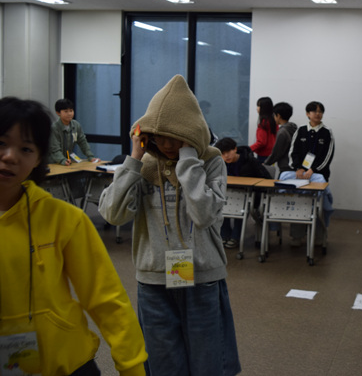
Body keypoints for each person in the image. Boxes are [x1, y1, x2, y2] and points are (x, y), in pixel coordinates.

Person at [98, 75, 241, 376]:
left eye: (175, 136)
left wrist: (188, 160)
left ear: (191, 133)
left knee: (207, 365)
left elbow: (203, 215)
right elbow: (112, 214)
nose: (166, 143)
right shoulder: (142, 166)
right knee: (164, 366)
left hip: (201, 277)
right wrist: (134, 159)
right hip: (154, 282)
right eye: (159, 136)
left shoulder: (211, 162)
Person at [0, 96, 147, 375]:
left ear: (38, 158)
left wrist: (133, 366)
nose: (10, 156)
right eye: (1, 143)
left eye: (26, 148)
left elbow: (106, 298)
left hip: (67, 364)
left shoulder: (65, 220)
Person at [280, 101, 335, 245]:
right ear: (307, 114)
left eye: (320, 111)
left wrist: (314, 169)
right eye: (314, 111)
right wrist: (298, 168)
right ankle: (297, 236)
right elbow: (293, 152)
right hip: (300, 175)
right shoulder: (301, 130)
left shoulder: (327, 132)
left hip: (318, 176)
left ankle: (319, 236)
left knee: (318, 206)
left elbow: (328, 156)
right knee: (299, 203)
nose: (318, 114)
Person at [215, 137, 271, 248]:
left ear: (235, 149)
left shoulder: (250, 161)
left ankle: (235, 237)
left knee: (239, 206)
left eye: (228, 152)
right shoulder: (220, 164)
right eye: (223, 154)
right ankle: (224, 235)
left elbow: (267, 179)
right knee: (221, 205)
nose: (226, 156)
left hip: (249, 196)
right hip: (228, 195)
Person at [48, 98, 99, 165]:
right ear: (58, 113)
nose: (69, 114)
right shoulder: (54, 128)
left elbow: (83, 142)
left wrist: (90, 156)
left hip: (68, 161)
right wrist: (62, 160)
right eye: (66, 111)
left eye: (71, 111)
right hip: (54, 162)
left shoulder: (76, 125)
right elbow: (54, 149)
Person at [263, 102, 297, 175]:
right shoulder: (294, 128)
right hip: (295, 167)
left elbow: (277, 152)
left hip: (286, 168)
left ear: (278, 116)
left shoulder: (282, 132)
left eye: (274, 115)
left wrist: (265, 163)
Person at [250, 96, 278, 163]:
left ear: (264, 108)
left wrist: (249, 149)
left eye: (258, 106)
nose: (257, 108)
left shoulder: (263, 123)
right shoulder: (274, 121)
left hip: (263, 155)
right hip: (272, 153)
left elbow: (261, 142)